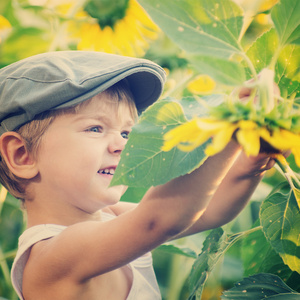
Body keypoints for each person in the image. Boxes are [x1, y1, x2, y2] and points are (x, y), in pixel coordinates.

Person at [0, 51, 275, 300]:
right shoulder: (50, 256)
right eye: (95, 128)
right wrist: (230, 125)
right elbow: (159, 219)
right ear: (22, 155)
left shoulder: (112, 214)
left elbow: (208, 211)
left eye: (126, 133)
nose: (122, 145)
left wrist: (251, 163)